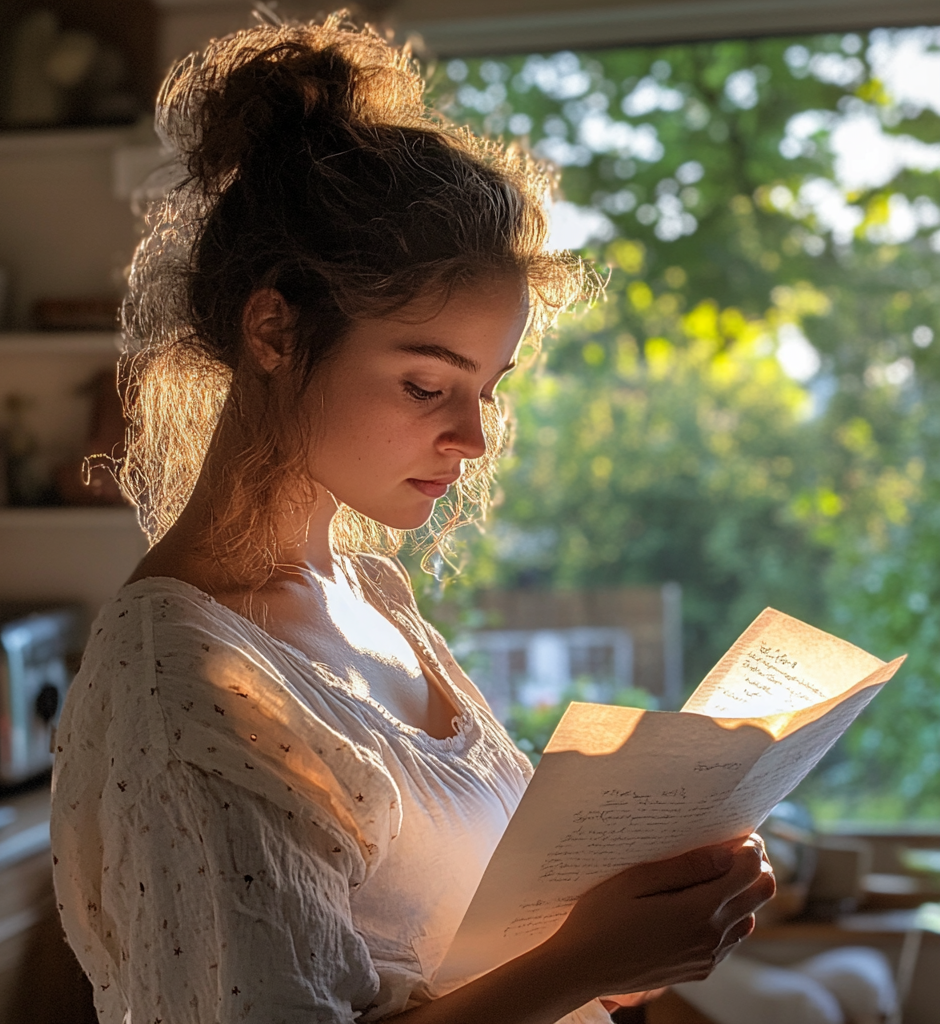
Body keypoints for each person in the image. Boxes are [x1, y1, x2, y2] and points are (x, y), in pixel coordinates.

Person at [51, 13, 775, 1024]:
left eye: (487, 386)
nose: (473, 437)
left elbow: (461, 964)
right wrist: (575, 963)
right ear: (275, 329)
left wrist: (625, 937)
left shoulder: (371, 597)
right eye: (426, 383)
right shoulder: (181, 680)